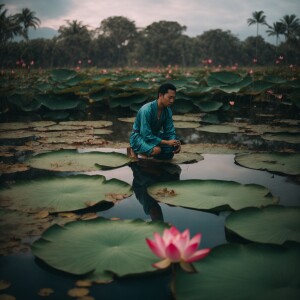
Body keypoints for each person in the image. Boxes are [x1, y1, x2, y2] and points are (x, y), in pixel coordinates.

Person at [127, 83, 181, 160]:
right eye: (170, 97)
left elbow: (170, 132)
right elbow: (146, 135)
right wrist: (167, 142)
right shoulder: (146, 110)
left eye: (173, 98)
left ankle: (149, 152)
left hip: (155, 135)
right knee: (157, 150)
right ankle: (134, 149)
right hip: (140, 136)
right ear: (160, 95)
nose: (172, 101)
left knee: (170, 151)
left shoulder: (168, 110)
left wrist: (175, 143)